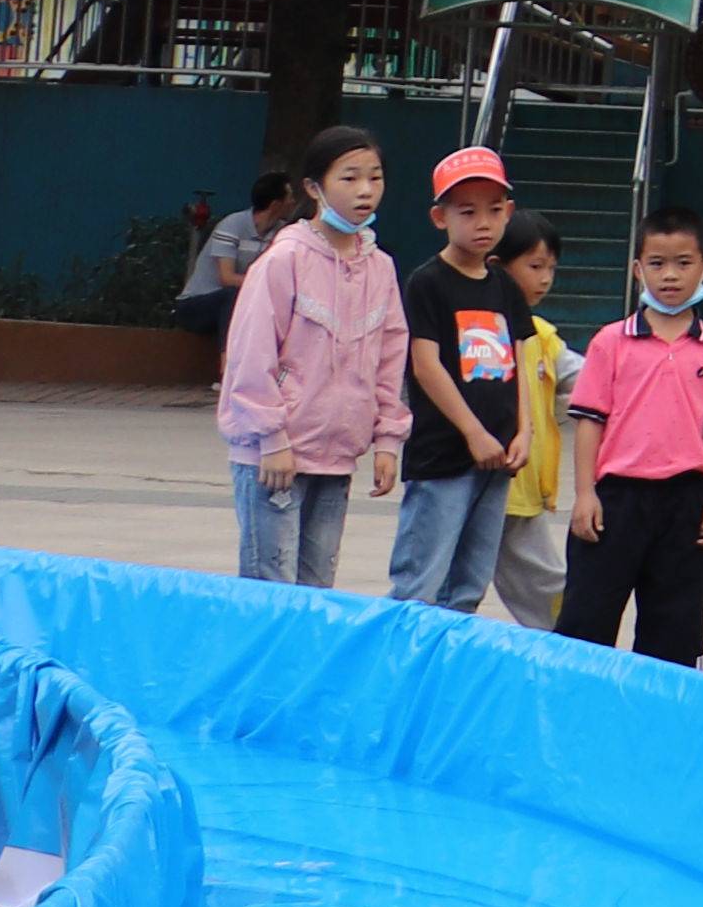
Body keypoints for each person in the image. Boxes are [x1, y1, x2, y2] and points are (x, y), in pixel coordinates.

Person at [215, 122, 407, 585]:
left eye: (375, 177)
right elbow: (249, 356)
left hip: (336, 457)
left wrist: (388, 441)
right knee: (272, 590)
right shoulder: (285, 260)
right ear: (313, 188)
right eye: (349, 177)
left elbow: (390, 357)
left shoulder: (380, 268)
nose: (365, 191)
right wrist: (272, 439)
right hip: (275, 459)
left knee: (318, 592)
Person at [559, 208, 703, 664]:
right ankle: (580, 716)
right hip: (616, 500)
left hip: (686, 502)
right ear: (638, 269)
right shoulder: (610, 342)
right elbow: (589, 422)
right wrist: (585, 493)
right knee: (587, 619)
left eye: (684, 262)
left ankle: (659, 724)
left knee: (676, 630)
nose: (670, 275)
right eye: (657, 263)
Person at [380, 146, 545, 615]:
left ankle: (447, 675)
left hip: (498, 461)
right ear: (440, 217)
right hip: (445, 458)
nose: (483, 223)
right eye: (467, 212)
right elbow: (425, 365)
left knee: (470, 585)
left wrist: (525, 430)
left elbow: (521, 359)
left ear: (509, 213)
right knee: (421, 582)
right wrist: (473, 432)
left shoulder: (504, 286)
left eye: (494, 211)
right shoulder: (427, 282)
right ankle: (402, 676)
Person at [491, 213, 579, 625]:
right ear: (497, 264)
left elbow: (586, 378)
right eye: (534, 266)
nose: (545, 279)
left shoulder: (544, 337)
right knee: (446, 582)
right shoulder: (478, 328)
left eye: (551, 269)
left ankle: (568, 644)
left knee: (545, 586)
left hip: (522, 489)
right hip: (479, 480)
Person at [171, 182, 275, 344]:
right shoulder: (233, 224)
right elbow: (226, 278)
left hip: (240, 306)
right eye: (290, 196)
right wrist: (264, 283)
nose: (293, 201)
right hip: (198, 304)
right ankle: (227, 359)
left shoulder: (281, 233)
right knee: (232, 295)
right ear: (276, 204)